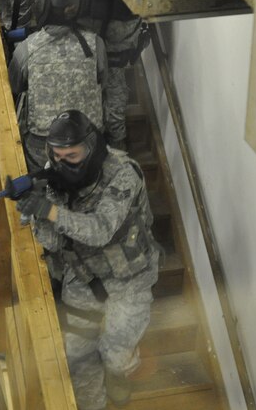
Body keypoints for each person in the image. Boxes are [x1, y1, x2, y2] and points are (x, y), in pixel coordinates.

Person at [16, 110, 160, 409]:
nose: (63, 162)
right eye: (57, 155)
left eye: (72, 154)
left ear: (91, 147)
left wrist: (49, 211)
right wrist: (34, 213)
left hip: (129, 280)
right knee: (78, 358)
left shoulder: (123, 173)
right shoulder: (52, 171)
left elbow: (100, 231)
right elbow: (55, 240)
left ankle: (121, 370)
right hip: (83, 276)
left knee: (113, 354)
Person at [8, 0, 107, 172]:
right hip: (89, 143)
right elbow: (102, 83)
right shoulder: (95, 43)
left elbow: (14, 86)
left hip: (44, 146)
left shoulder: (27, 48)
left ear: (42, 5)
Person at [77, 0, 150, 150]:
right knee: (113, 93)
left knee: (93, 91)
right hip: (119, 23)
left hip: (98, 29)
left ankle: (109, 144)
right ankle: (116, 145)